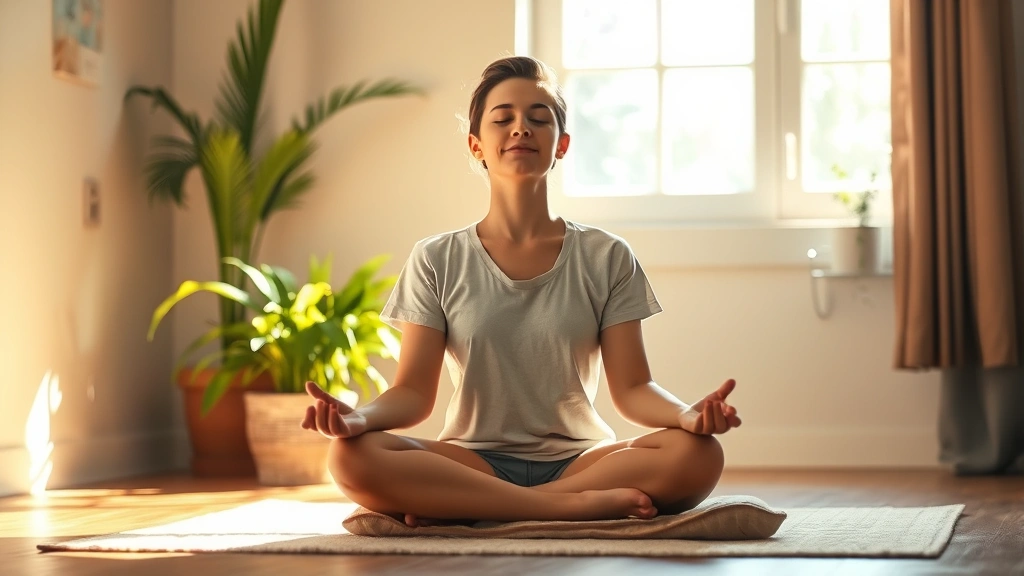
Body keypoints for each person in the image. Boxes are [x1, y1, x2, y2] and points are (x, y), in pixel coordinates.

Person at [301, 56, 741, 527]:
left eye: (538, 118)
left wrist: (687, 417)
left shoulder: (606, 255)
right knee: (349, 457)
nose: (521, 129)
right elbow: (411, 391)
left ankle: (470, 508)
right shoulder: (436, 258)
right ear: (477, 146)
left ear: (562, 145)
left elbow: (633, 389)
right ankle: (563, 509)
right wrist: (359, 420)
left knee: (697, 455)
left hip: (581, 462)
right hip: (471, 460)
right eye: (503, 118)